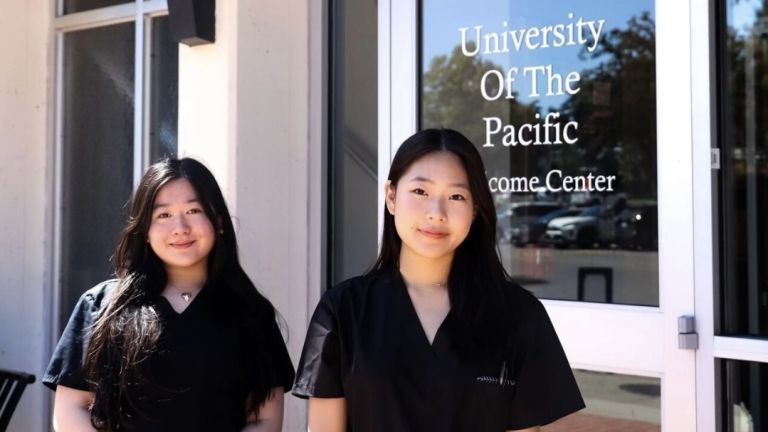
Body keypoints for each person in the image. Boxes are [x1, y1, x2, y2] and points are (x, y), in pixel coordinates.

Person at [293, 129, 584, 431]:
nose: (437, 213)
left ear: (474, 211)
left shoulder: (520, 315)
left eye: (456, 196)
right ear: (391, 197)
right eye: (420, 192)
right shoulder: (342, 310)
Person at [43, 158, 295, 432]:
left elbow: (265, 419)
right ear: (145, 231)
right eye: (163, 215)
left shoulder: (250, 313)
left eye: (194, 210)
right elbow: (71, 408)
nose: (180, 228)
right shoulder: (102, 306)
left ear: (219, 221)